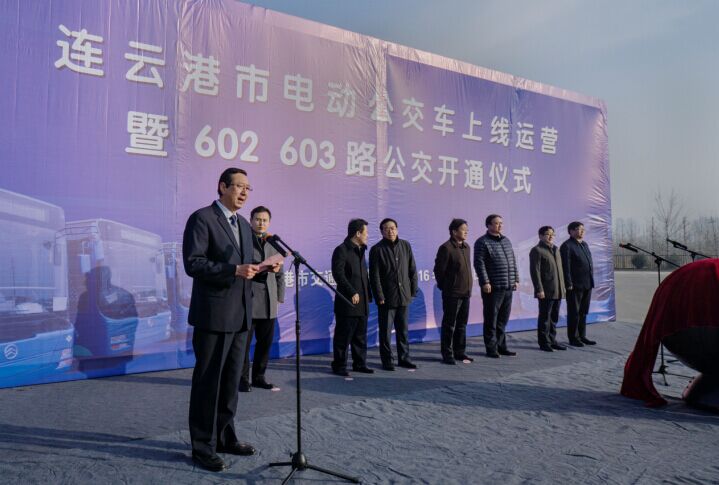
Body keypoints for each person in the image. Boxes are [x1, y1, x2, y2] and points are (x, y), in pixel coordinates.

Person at [183, 167, 259, 472]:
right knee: (208, 383)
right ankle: (203, 446)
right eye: (239, 186)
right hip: (213, 316)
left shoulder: (244, 224)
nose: (244, 192)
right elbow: (193, 263)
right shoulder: (202, 218)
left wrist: (263, 268)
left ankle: (226, 437)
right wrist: (233, 270)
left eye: (248, 188)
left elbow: (246, 266)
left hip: (241, 315)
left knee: (230, 383)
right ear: (222, 186)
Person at [239, 206, 285, 392]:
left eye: (264, 220)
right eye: (257, 219)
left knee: (265, 344)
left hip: (269, 302)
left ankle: (259, 377)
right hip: (249, 300)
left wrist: (279, 297)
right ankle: (242, 379)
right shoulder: (243, 240)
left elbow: (280, 274)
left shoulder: (273, 243)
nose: (261, 223)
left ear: (269, 223)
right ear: (251, 221)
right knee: (243, 344)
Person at [369, 218, 419, 371]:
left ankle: (404, 358)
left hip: (404, 296)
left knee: (403, 331)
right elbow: (375, 276)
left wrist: (412, 290)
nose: (390, 231)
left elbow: (412, 270)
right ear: (381, 232)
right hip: (387, 298)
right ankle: (387, 361)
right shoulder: (377, 249)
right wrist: (379, 296)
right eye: (386, 228)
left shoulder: (405, 245)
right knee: (385, 332)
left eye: (392, 228)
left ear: (397, 229)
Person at [331, 218, 373, 377]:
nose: (368, 235)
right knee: (343, 336)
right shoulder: (342, 250)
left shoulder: (361, 250)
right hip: (347, 302)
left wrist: (368, 295)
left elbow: (363, 276)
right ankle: (339, 365)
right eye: (366, 232)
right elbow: (338, 274)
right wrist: (351, 292)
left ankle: (360, 364)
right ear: (358, 233)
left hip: (362, 302)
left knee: (360, 336)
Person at [474, 214, 519, 358]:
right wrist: (485, 282)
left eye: (501, 223)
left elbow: (512, 261)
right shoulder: (482, 242)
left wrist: (516, 279)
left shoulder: (506, 241)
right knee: (491, 320)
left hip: (508, 286)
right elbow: (479, 264)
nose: (500, 225)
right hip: (493, 288)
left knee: (502, 320)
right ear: (488, 225)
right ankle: (491, 349)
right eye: (497, 223)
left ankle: (501, 346)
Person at [433, 219, 473, 365]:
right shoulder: (446, 248)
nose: (466, 232)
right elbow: (439, 271)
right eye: (463, 229)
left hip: (466, 292)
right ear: (454, 231)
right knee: (449, 325)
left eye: (467, 229)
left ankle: (460, 352)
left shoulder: (466, 247)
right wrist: (446, 287)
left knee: (462, 324)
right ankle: (447, 354)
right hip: (452, 294)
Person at [529, 226, 567, 352]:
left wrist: (563, 287)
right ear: (540, 236)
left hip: (558, 290)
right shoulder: (537, 250)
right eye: (547, 234)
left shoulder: (556, 249)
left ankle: (552, 340)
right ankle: (544, 342)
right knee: (545, 318)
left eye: (552, 234)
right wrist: (539, 289)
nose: (551, 236)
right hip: (546, 291)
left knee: (554, 318)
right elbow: (535, 272)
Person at [560, 221, 596, 346]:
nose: (581, 231)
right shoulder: (567, 246)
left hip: (587, 283)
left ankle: (582, 336)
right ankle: (573, 338)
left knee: (583, 312)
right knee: (574, 312)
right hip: (574, 285)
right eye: (578, 229)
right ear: (571, 231)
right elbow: (566, 267)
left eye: (583, 229)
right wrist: (568, 283)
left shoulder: (584, 244)